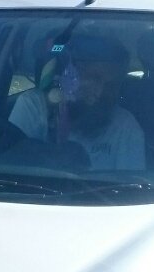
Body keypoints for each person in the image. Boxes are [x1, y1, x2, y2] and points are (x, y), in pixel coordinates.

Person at [9, 34, 145, 171]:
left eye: (111, 85)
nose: (100, 92)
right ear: (69, 74)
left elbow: (132, 184)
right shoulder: (34, 106)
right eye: (93, 78)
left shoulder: (125, 126)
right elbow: (11, 169)